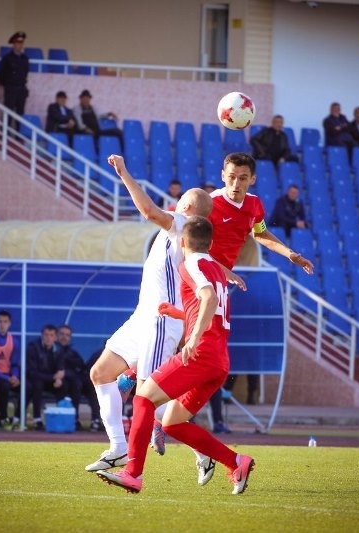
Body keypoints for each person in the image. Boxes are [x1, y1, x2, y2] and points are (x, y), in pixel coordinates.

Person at [96, 216, 255, 495]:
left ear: (182, 242)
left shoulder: (190, 264)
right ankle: (236, 462)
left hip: (200, 353)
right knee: (171, 423)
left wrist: (192, 338)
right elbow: (211, 309)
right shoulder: (217, 271)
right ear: (211, 244)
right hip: (219, 360)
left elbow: (209, 299)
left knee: (143, 398)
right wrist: (179, 314)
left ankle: (133, 473)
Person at [85, 154, 220, 473]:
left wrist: (124, 173)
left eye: (181, 199)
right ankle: (118, 447)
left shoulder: (181, 224)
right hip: (143, 317)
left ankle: (199, 452)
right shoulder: (184, 230)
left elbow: (147, 211)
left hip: (160, 321)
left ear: (188, 206)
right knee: (101, 373)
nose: (176, 202)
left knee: (148, 397)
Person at [205, 152, 314, 436]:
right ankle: (140, 384)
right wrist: (223, 271)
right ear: (222, 176)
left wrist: (290, 254)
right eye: (231, 177)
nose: (236, 183)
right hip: (197, 280)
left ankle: (187, 417)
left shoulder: (254, 205)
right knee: (192, 346)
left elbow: (260, 233)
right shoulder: (209, 204)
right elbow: (191, 248)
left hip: (219, 285)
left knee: (213, 357)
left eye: (242, 178)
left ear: (252, 179)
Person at [25, 324, 67, 430]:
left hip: (50, 381)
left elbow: (60, 366)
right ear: (42, 336)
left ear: (55, 337)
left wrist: (59, 377)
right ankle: (37, 419)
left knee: (63, 386)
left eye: (51, 335)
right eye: (46, 335)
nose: (48, 338)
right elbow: (32, 372)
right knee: (37, 385)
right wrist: (54, 377)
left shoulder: (59, 349)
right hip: (35, 380)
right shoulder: (33, 347)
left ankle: (61, 417)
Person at [57, 324, 94, 430]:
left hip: (74, 383)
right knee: (69, 384)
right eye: (62, 334)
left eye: (67, 335)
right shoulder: (53, 350)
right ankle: (67, 419)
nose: (64, 337)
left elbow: (81, 366)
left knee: (87, 385)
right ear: (57, 335)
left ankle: (95, 420)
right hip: (55, 382)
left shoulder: (72, 352)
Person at [0, 310, 20, 429]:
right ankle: (4, 418)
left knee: (27, 387)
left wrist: (15, 376)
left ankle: (17, 419)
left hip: (8, 375)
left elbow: (14, 363)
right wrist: (7, 378)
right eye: (0, 322)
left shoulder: (14, 342)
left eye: (5, 322)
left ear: (9, 324)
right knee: (4, 386)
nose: (2, 325)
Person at [0, 31, 29, 136]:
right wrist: (7, 85)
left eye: (21, 43)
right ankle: (5, 133)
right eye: (18, 43)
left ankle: (19, 134)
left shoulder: (25, 59)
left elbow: (25, 73)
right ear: (13, 44)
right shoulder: (7, 58)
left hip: (21, 88)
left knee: (20, 113)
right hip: (11, 88)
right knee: (8, 111)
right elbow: (1, 74)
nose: (20, 45)